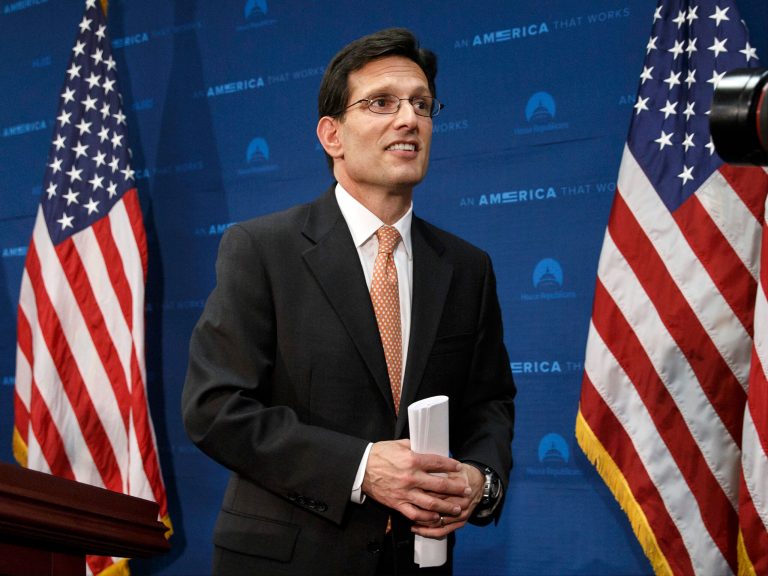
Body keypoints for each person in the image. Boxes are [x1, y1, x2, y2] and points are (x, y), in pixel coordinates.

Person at [182, 27, 516, 576]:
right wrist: (360, 468)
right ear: (331, 135)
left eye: (422, 105)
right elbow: (215, 408)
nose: (409, 119)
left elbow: (490, 403)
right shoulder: (262, 248)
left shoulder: (467, 268)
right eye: (382, 103)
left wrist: (481, 481)